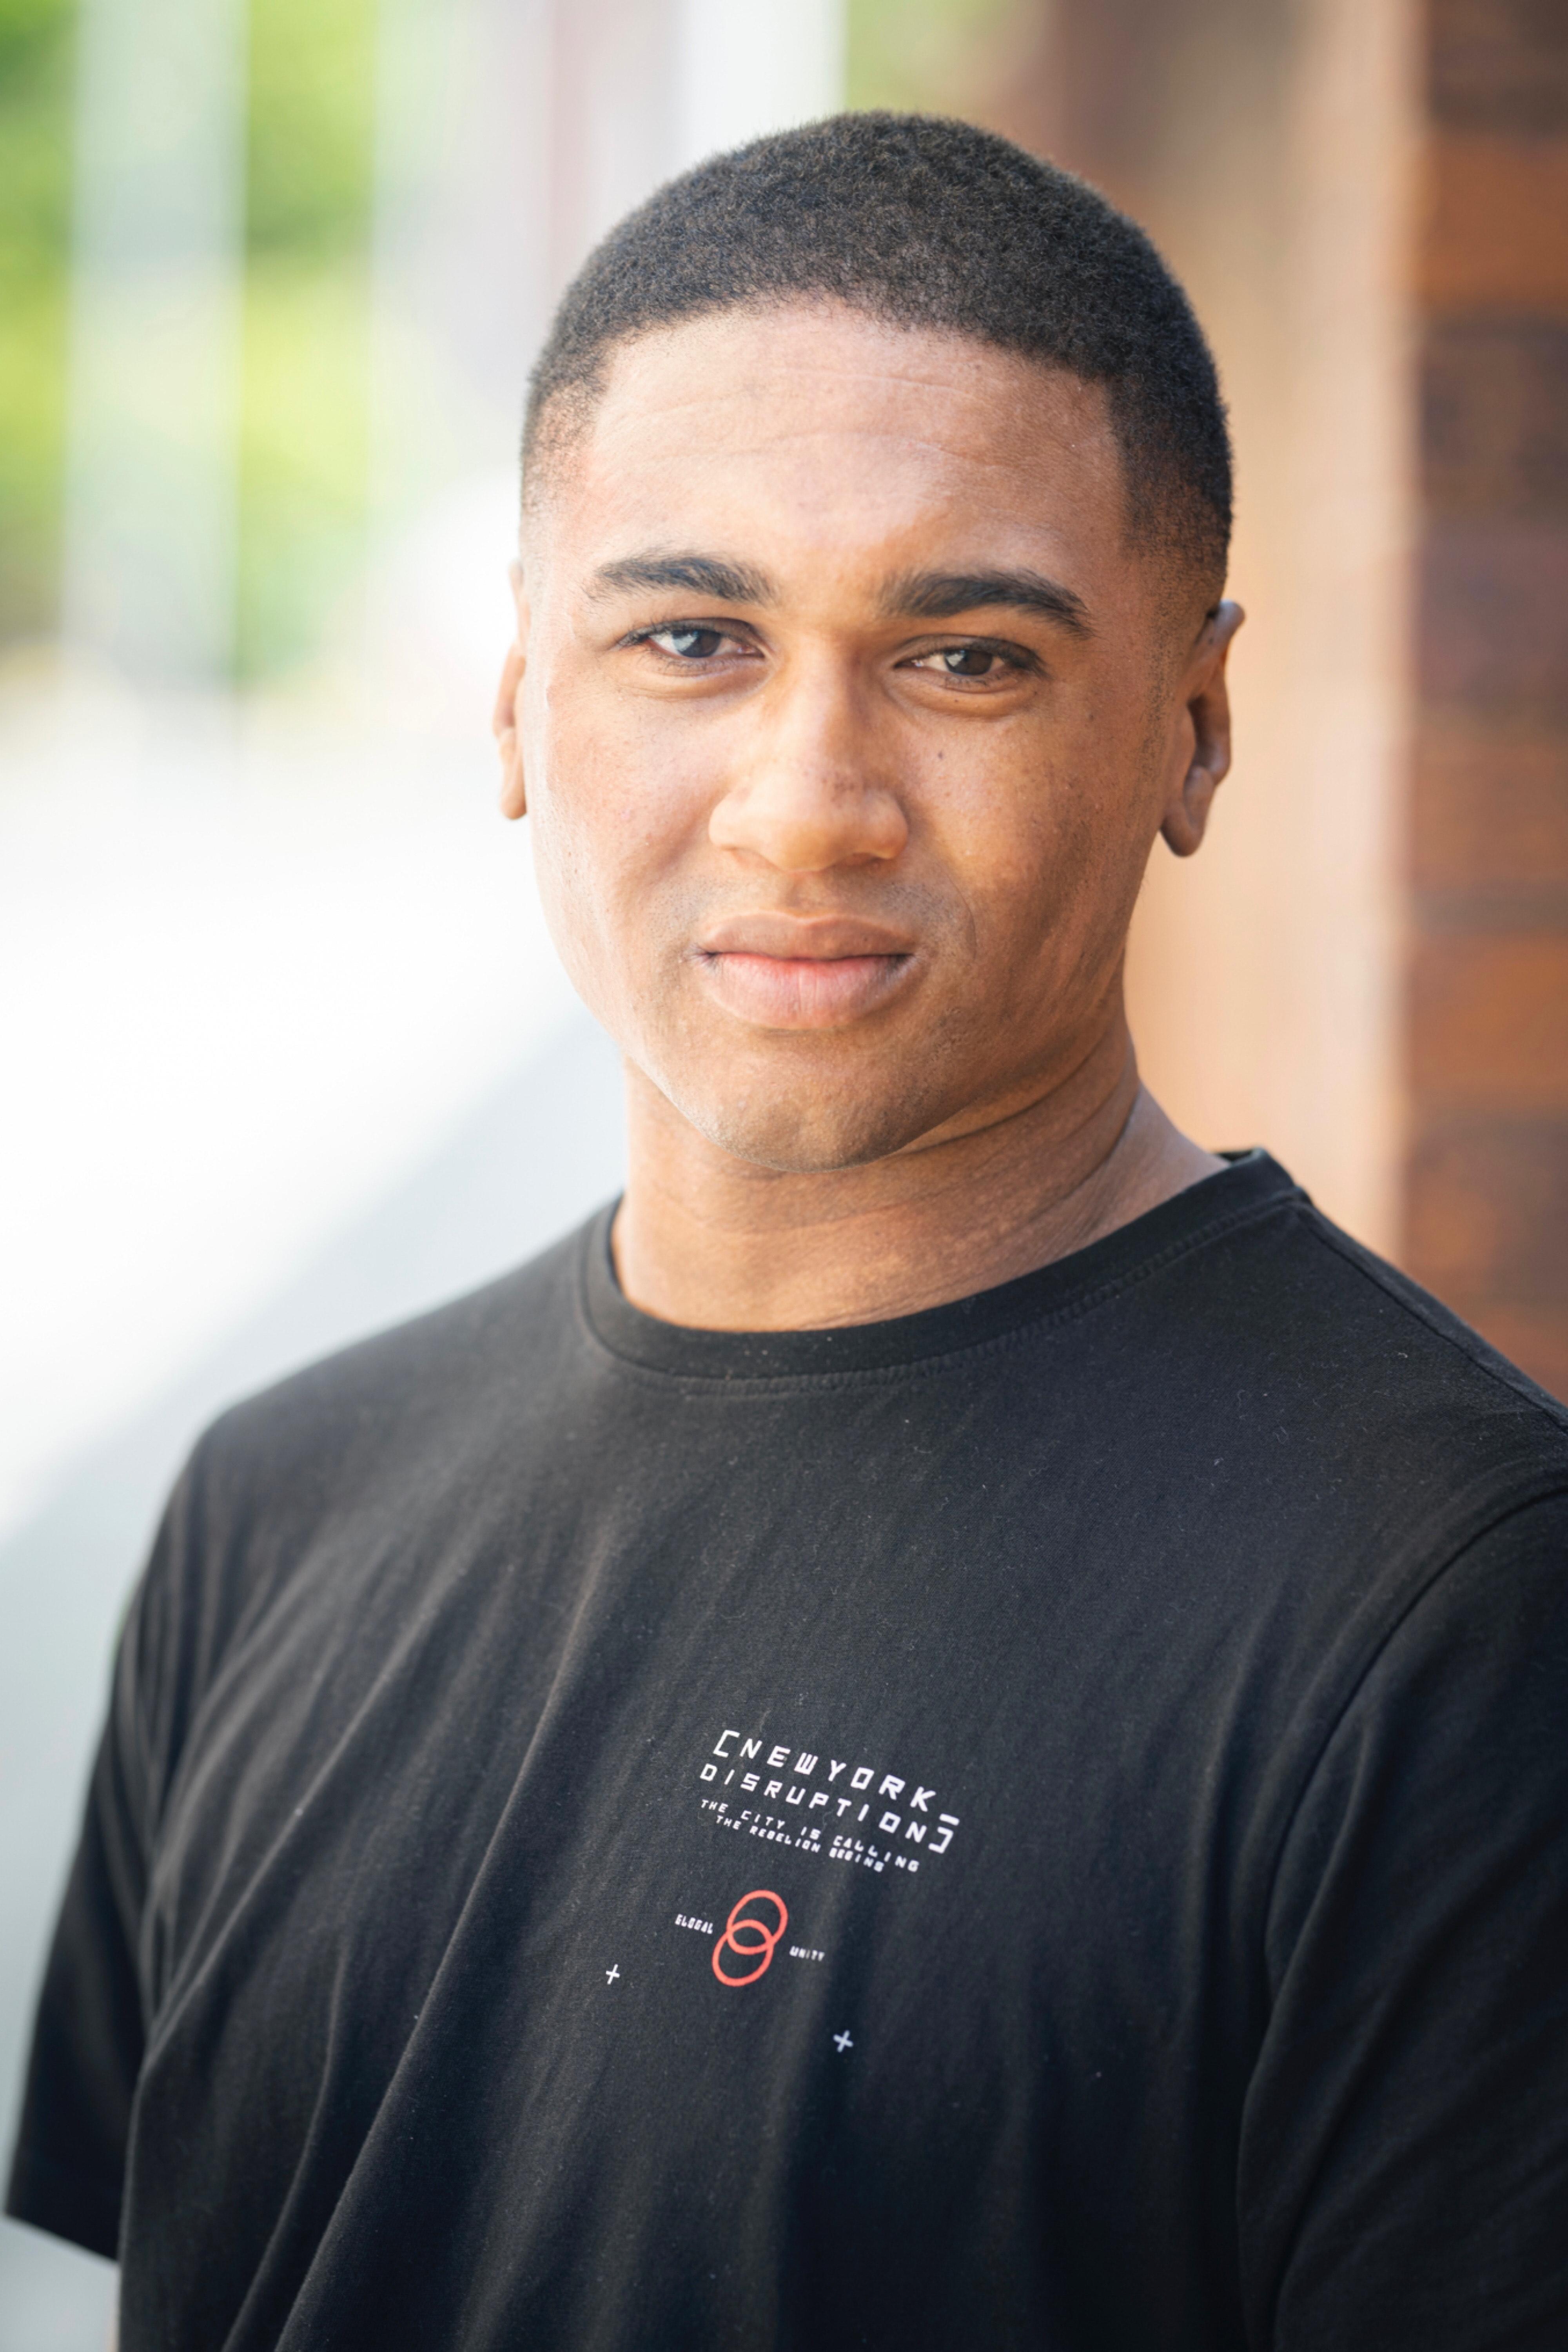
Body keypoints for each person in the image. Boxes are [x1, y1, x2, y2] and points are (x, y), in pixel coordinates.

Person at [7, 113, 1567, 2352]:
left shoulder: (1454, 1613)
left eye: (966, 661)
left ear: (1195, 726)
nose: (806, 801)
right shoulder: (279, 1497)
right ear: (522, 701)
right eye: (693, 635)